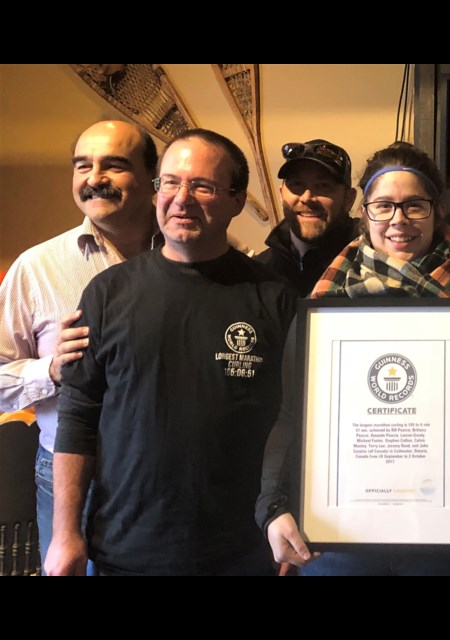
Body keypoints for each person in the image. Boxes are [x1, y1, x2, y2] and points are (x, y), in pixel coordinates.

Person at [258, 141, 450, 575]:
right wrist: (272, 505)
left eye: (414, 206)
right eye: (383, 206)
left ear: (438, 210)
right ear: (364, 212)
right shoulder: (324, 307)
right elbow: (292, 418)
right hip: (339, 546)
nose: (398, 221)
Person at [46, 129, 298, 576]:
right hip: (125, 548)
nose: (182, 199)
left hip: (241, 551)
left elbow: (294, 420)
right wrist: (66, 535)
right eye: (170, 182)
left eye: (203, 186)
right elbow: (79, 414)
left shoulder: (274, 299)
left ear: (237, 200)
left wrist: (285, 518)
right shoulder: (108, 293)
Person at [0, 120, 160, 572]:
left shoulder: (197, 253)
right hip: (71, 480)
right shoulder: (36, 268)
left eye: (114, 165)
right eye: (82, 166)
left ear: (153, 178)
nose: (94, 179)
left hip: (170, 472)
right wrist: (49, 369)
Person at [257, 139, 357, 296]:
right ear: (282, 193)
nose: (307, 197)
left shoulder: (370, 263)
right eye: (297, 184)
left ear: (349, 199)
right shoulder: (260, 272)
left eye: (323, 185)